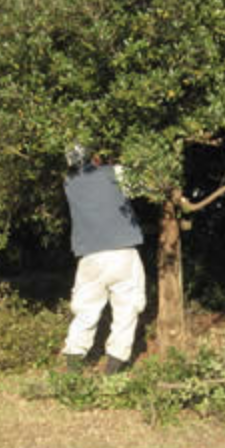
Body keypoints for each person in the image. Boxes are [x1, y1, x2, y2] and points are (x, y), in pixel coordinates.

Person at [61, 144, 146, 375]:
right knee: (127, 309)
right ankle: (113, 371)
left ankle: (72, 371)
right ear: (94, 156)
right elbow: (143, 187)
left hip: (89, 256)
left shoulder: (69, 183)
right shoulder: (115, 173)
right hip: (122, 252)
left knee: (85, 311)